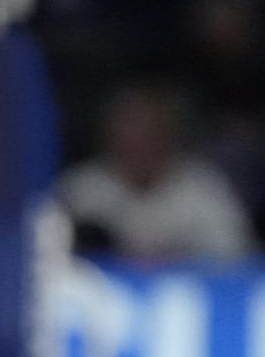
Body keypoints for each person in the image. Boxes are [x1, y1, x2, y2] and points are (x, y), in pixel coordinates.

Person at [56, 81, 255, 261]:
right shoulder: (81, 190)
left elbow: (235, 261)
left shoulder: (203, 188)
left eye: (148, 140)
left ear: (169, 140)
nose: (139, 152)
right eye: (128, 144)